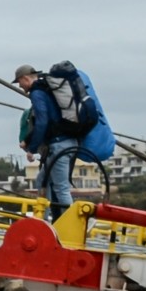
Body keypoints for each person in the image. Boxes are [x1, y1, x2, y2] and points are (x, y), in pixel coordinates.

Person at [16, 60, 112, 215]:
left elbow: (42, 122)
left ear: (25, 79)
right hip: (67, 142)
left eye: (20, 84)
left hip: (59, 145)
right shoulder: (49, 88)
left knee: (61, 188)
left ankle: (70, 223)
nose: (22, 88)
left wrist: (31, 147)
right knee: (42, 181)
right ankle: (44, 218)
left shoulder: (38, 92)